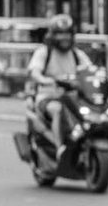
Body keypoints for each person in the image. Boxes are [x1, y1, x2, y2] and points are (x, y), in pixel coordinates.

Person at [26, 14, 97, 159]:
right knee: (58, 109)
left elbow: (91, 71)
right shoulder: (44, 52)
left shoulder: (77, 54)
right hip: (48, 97)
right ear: (52, 35)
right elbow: (34, 72)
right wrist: (45, 80)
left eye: (67, 34)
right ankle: (60, 149)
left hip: (73, 99)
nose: (64, 38)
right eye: (60, 34)